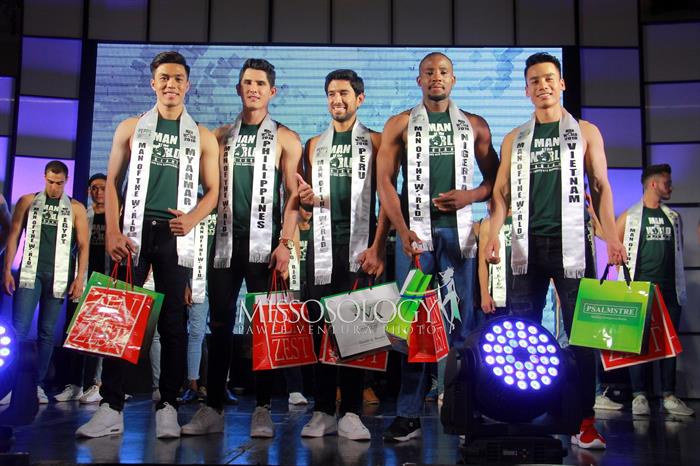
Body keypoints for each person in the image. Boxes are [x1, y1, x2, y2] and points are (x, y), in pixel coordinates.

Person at [484, 52, 627, 449]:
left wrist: (612, 237)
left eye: (549, 78)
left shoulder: (586, 131)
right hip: (525, 247)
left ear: (562, 84)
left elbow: (601, 186)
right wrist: (493, 235)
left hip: (573, 246)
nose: (542, 85)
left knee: (581, 337)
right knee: (521, 334)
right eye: (534, 80)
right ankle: (523, 411)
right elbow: (500, 193)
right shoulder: (515, 137)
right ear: (526, 90)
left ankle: (583, 420)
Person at [76, 51, 220, 439]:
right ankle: (111, 407)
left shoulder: (202, 135)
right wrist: (113, 231)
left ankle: (168, 405)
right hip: (133, 233)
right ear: (153, 83)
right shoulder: (130, 127)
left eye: (178, 78)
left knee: (173, 323)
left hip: (175, 234)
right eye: (164, 78)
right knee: (118, 319)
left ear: (188, 85)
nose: (171, 84)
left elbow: (213, 191)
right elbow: (112, 183)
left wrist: (192, 218)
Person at [376, 52, 499, 442]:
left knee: (462, 325)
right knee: (410, 325)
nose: (436, 77)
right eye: (428, 72)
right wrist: (401, 230)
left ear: (453, 79)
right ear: (419, 80)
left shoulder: (475, 125)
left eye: (443, 72)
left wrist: (470, 196)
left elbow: (495, 182)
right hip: (415, 241)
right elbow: (384, 183)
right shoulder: (399, 124)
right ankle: (408, 415)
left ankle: (465, 412)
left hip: (458, 238)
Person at [181, 58, 302, 438]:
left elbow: (293, 197)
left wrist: (285, 243)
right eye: (247, 82)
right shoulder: (219, 136)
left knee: (266, 327)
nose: (253, 88)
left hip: (266, 246)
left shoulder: (286, 138)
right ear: (238, 89)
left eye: (260, 83)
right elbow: (206, 191)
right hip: (223, 244)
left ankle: (263, 409)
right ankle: (213, 407)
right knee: (219, 324)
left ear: (272, 91)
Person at [296, 69, 388, 441]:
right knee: (319, 328)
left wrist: (379, 247)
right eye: (332, 93)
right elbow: (306, 204)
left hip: (362, 245)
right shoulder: (313, 144)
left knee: (356, 332)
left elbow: (388, 198)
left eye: (344, 93)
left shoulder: (377, 141)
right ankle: (322, 410)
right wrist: (305, 203)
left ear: (359, 99)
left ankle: (351, 411)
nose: (337, 100)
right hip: (321, 247)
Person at [3, 160, 89, 404]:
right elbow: (14, 235)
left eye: (59, 183)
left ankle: (37, 384)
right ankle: (11, 384)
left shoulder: (76, 208)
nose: (54, 187)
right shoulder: (28, 201)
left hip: (59, 275)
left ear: (66, 181)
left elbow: (83, 245)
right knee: (19, 328)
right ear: (44, 178)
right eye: (51, 182)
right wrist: (6, 270)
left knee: (47, 332)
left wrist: (79, 278)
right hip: (31, 272)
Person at [616, 164, 694, 417]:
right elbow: (614, 243)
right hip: (640, 289)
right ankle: (639, 395)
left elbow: (677, 252)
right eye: (666, 183)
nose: (670, 187)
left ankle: (669, 395)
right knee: (637, 342)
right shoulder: (630, 216)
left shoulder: (673, 217)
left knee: (669, 344)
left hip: (670, 290)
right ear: (653, 184)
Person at [54, 173, 108, 404]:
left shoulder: (117, 215)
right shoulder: (83, 213)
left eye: (103, 188)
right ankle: (74, 384)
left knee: (101, 336)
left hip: (106, 281)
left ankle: (97, 384)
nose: (98, 192)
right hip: (83, 279)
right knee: (75, 335)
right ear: (88, 191)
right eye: (94, 188)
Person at [478, 202, 513, 319]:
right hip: (497, 294)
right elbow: (482, 263)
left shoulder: (524, 221)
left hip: (523, 290)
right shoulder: (487, 224)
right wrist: (484, 294)